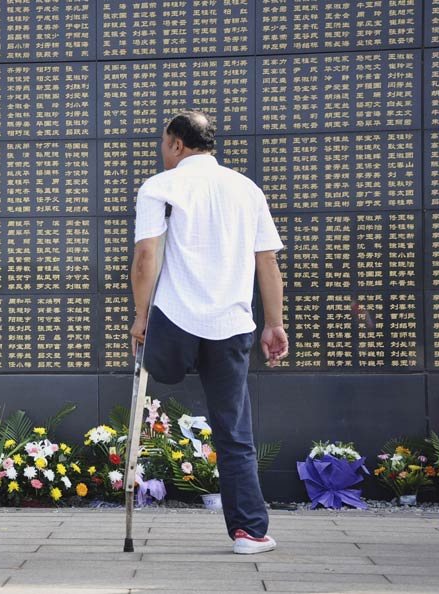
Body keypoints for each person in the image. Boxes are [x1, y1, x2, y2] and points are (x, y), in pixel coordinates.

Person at [129, 110, 288, 555]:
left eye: (164, 144)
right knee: (233, 432)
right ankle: (249, 533)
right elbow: (268, 262)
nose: (163, 152)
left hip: (174, 328)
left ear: (177, 144)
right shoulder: (247, 189)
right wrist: (273, 324)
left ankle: (166, 373)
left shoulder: (161, 186)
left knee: (156, 376)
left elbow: (146, 257)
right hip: (231, 327)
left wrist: (141, 316)